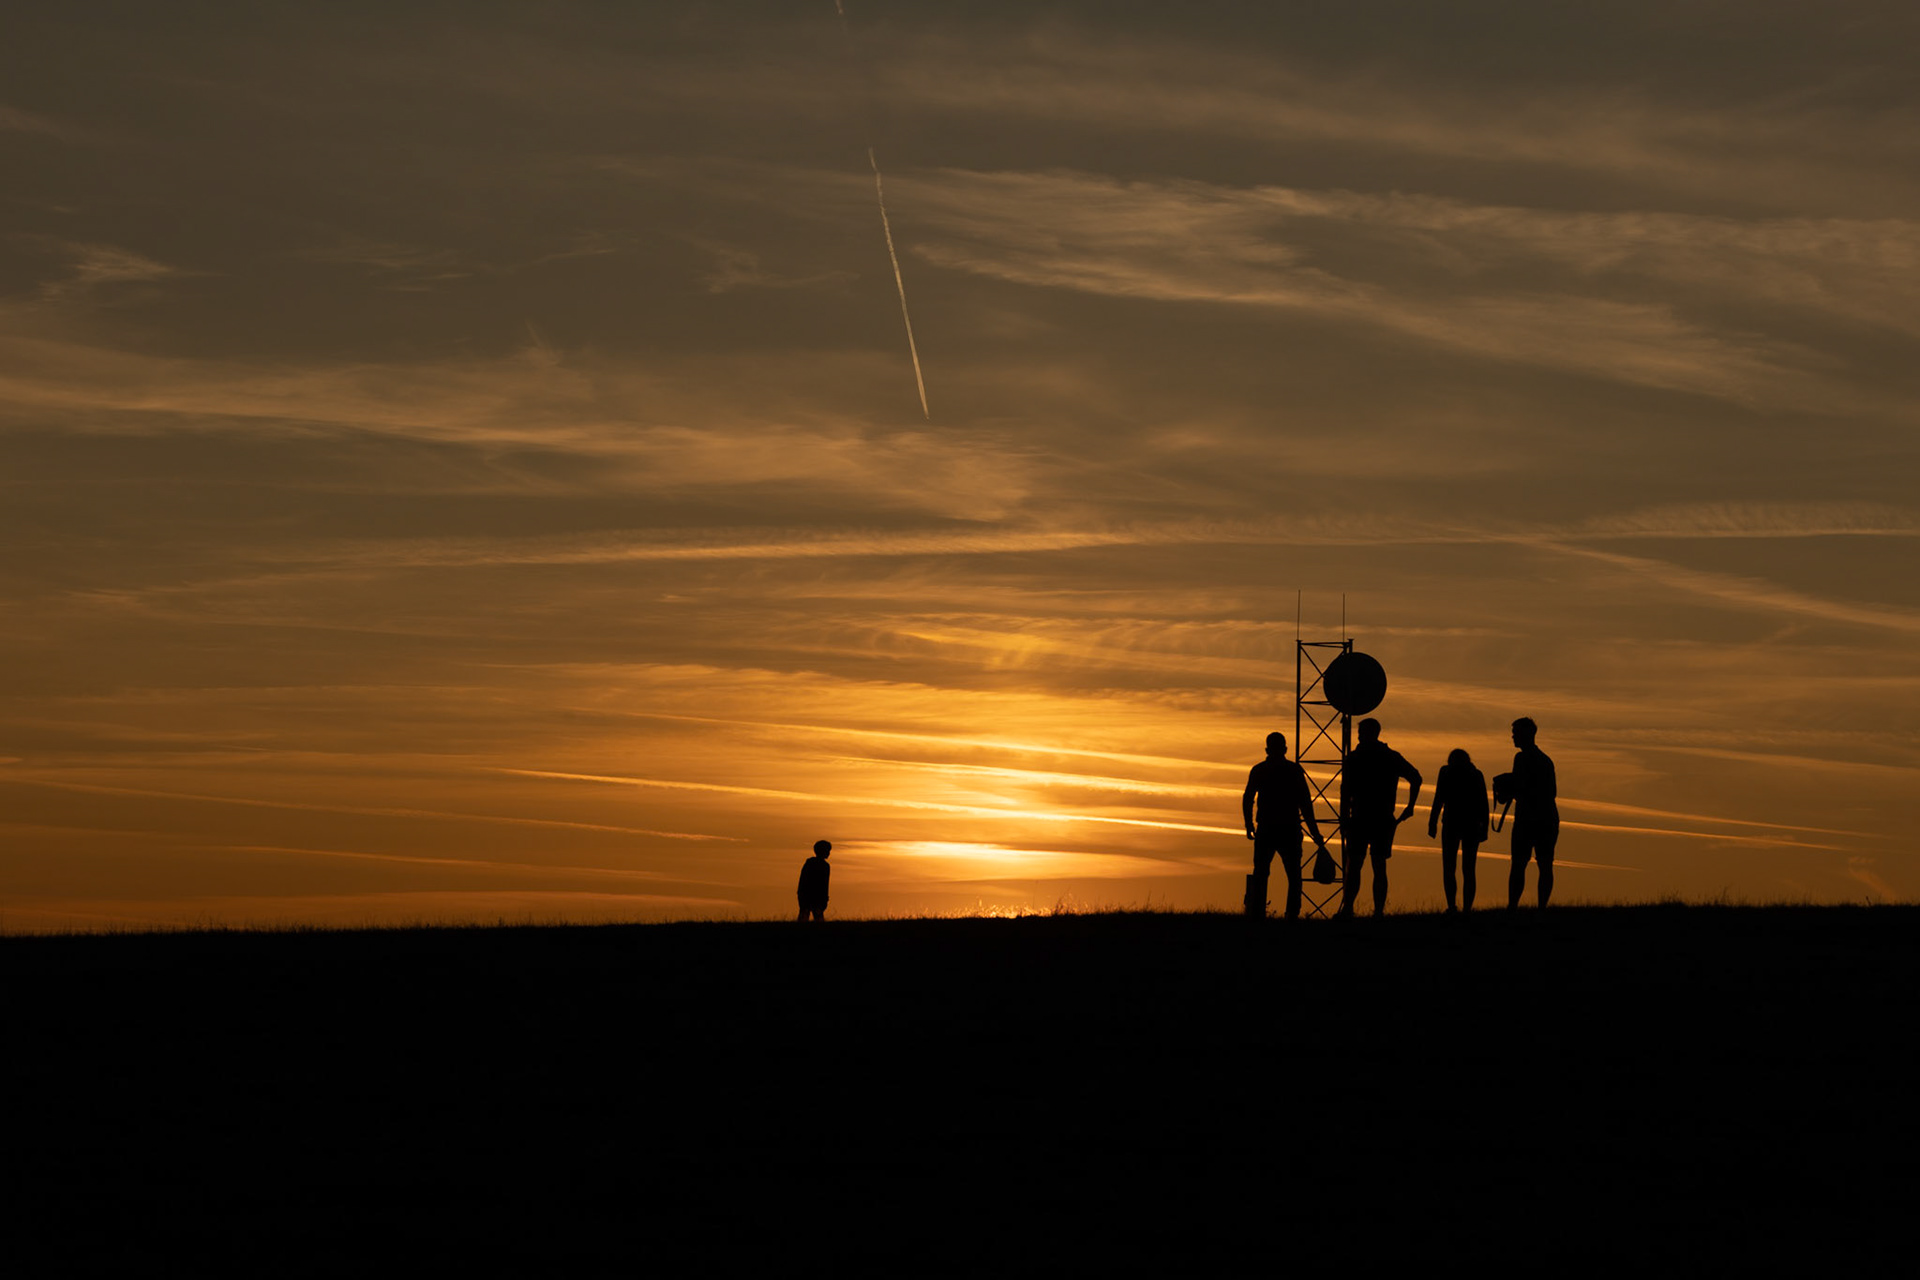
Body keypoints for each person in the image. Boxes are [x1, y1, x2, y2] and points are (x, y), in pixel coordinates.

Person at [1337, 718, 1422, 918]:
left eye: (1361, 733)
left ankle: (1350, 910)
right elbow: (1416, 778)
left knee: (1356, 865)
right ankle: (1376, 912)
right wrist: (1410, 807)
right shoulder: (1389, 756)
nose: (1359, 737)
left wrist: (1344, 818)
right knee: (1377, 865)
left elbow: (1345, 791)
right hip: (1381, 819)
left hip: (1361, 818)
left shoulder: (1355, 758)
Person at [1241, 732, 1331, 919]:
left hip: (1267, 828)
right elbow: (1305, 804)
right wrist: (1315, 832)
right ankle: (1291, 913)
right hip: (1289, 829)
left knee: (1262, 872)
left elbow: (1248, 798)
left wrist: (1249, 824)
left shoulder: (1260, 770)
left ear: (1267, 750)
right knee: (1293, 874)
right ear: (1285, 749)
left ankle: (1257, 912)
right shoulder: (1294, 770)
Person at [1505, 718, 1559, 909]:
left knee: (1523, 864)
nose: (1513, 737)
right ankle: (1538, 908)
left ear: (1526, 735)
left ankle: (1514, 908)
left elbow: (1546, 792)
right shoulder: (1544, 760)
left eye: (1516, 733)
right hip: (1542, 819)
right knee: (1542, 864)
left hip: (1533, 819)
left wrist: (1513, 788)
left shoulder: (1524, 759)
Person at [1427, 749, 1489, 913]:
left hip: (1456, 824)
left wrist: (1432, 822)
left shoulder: (1448, 772)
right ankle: (1463, 907)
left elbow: (1438, 798)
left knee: (1452, 868)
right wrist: (1484, 828)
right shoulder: (1474, 774)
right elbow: (1483, 804)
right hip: (1467, 825)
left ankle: (1454, 906)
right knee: (1467, 868)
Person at [797, 840, 832, 921]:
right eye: (827, 850)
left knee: (805, 915)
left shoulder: (810, 863)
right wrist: (824, 897)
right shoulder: (824, 866)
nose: (829, 853)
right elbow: (824, 884)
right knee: (813, 916)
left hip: (808, 895)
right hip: (814, 896)